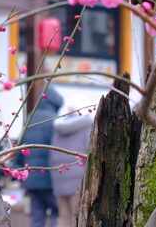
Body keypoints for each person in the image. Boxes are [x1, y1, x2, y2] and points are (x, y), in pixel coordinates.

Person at [16, 84, 63, 227]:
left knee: (37, 217)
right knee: (57, 213)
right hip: (50, 179)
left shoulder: (30, 119)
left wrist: (19, 168)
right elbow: (58, 151)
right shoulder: (55, 120)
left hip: (32, 178)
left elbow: (21, 148)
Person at [50, 109, 93, 227]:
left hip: (59, 178)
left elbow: (52, 153)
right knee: (77, 216)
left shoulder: (57, 129)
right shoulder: (85, 127)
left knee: (63, 216)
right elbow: (90, 151)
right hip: (77, 179)